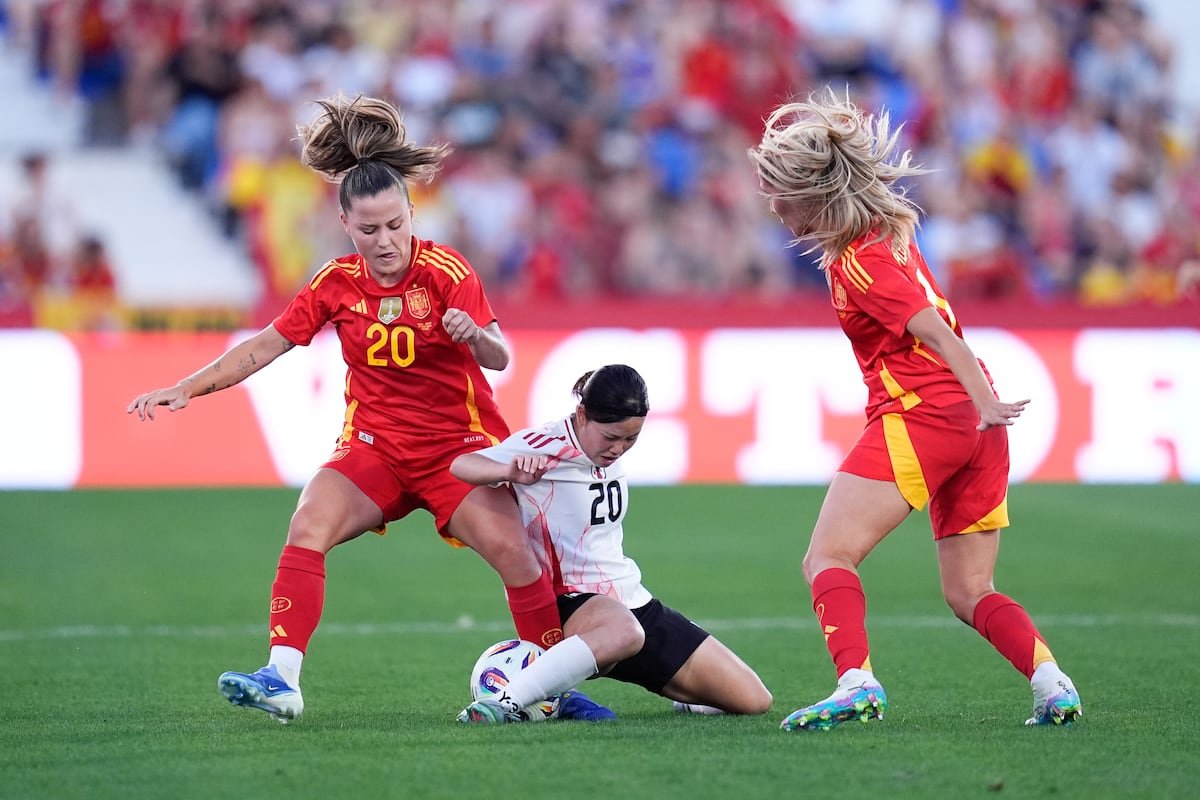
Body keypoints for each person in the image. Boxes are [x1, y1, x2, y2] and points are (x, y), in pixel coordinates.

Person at [126, 94, 563, 724]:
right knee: (308, 523)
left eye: (395, 225)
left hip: (458, 452)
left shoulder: (447, 272)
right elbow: (264, 347)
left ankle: (547, 685)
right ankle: (282, 679)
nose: (385, 241)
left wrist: (476, 336)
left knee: (517, 555)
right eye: (369, 229)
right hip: (376, 449)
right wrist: (186, 387)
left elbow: (498, 358)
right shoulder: (335, 282)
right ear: (345, 224)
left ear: (413, 213)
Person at [747, 90, 1082, 731]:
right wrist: (978, 402)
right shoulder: (886, 234)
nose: (771, 206)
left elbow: (930, 326)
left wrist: (981, 399)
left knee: (826, 558)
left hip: (926, 413)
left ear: (808, 194)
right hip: (972, 426)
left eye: (776, 192)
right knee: (969, 592)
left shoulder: (856, 262)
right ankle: (1051, 681)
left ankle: (856, 683)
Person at [450, 364, 773, 724]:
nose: (619, 448)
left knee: (753, 700)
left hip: (633, 601)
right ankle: (505, 702)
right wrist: (508, 471)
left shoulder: (607, 451)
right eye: (611, 437)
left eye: (631, 439)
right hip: (573, 603)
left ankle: (685, 695)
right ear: (583, 415)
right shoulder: (545, 445)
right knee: (624, 631)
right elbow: (462, 465)